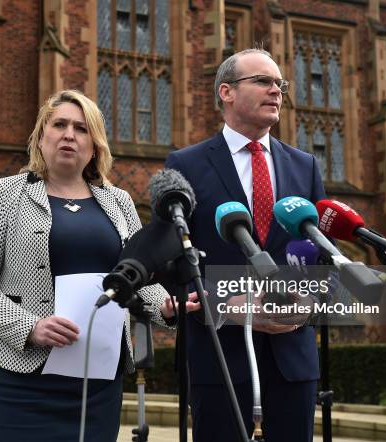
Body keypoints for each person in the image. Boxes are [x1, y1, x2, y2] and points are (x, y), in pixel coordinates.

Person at [0, 89, 199, 442]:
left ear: (95, 144)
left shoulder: (119, 203)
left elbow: (138, 274)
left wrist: (165, 305)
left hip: (97, 381)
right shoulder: (5, 194)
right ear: (41, 138)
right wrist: (29, 327)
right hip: (17, 379)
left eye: (82, 128)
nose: (69, 134)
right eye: (59, 125)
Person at [164, 48, 326, 441]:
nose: (276, 91)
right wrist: (225, 306)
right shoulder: (186, 164)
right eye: (263, 81)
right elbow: (170, 264)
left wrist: (307, 306)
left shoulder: (304, 166)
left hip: (294, 360)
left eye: (280, 84)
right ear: (227, 92)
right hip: (221, 359)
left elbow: (322, 260)